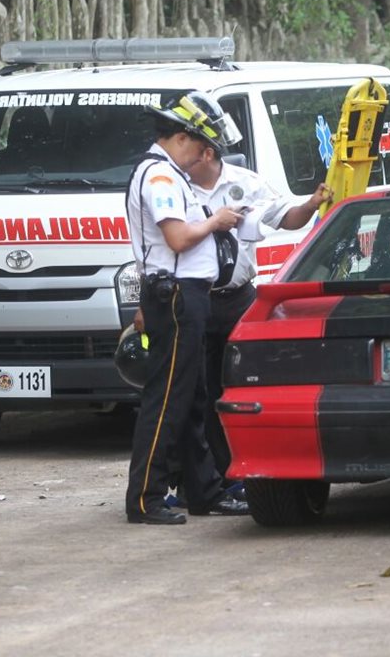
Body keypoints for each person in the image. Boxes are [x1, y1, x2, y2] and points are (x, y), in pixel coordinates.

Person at [123, 91, 250, 525]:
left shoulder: (171, 175)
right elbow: (177, 239)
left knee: (193, 396)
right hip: (175, 295)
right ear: (181, 138)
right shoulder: (160, 177)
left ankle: (204, 491)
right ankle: (146, 498)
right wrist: (215, 222)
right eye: (201, 146)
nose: (203, 156)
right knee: (168, 400)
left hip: (188, 296)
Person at [186, 147, 332, 479]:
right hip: (195, 298)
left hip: (237, 299)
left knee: (239, 388)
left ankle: (236, 472)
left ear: (207, 154)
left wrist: (310, 204)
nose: (181, 160)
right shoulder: (177, 185)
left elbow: (286, 217)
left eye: (188, 154)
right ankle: (198, 477)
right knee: (196, 391)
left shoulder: (246, 182)